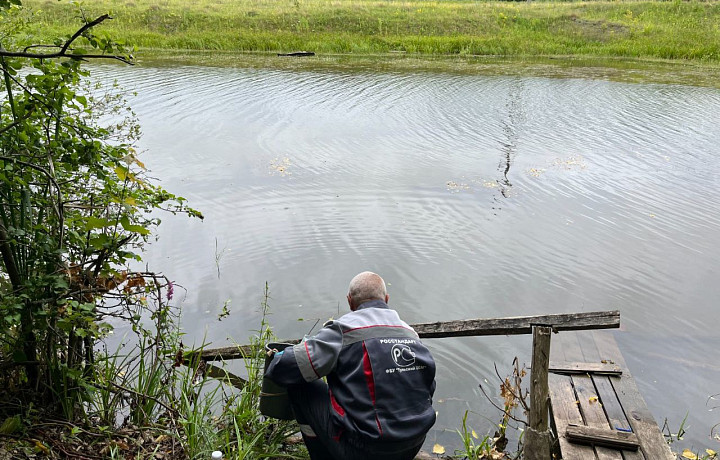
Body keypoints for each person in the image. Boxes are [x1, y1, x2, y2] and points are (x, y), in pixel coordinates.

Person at [265, 271, 437, 460]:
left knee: (299, 386)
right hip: (413, 445)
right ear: (387, 299)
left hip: (363, 451)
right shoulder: (411, 334)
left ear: (350, 302)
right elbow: (428, 388)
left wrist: (282, 355)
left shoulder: (344, 329)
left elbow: (284, 368)